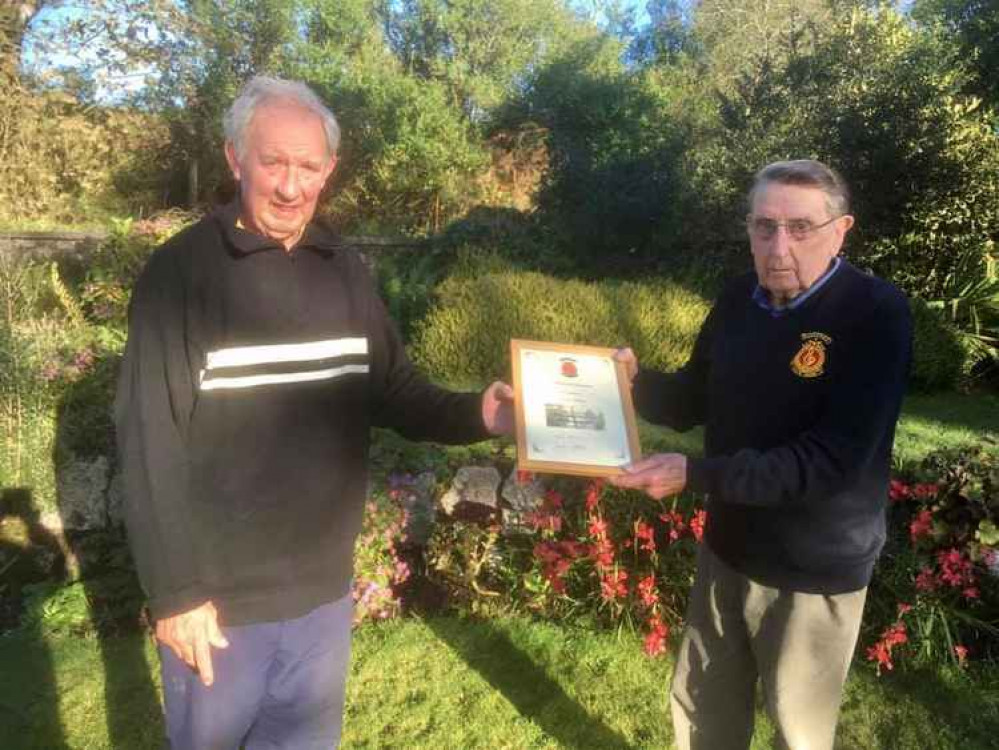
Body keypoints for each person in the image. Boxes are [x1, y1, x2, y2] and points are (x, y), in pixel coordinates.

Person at [114, 75, 514, 749]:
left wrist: (482, 413)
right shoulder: (179, 275)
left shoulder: (344, 270)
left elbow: (395, 392)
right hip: (218, 608)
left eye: (308, 167)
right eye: (273, 162)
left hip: (322, 598)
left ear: (328, 171)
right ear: (236, 159)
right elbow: (148, 438)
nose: (290, 186)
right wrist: (176, 595)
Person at [612, 159, 912, 750]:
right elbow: (693, 398)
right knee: (702, 712)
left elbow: (832, 460)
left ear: (841, 229)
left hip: (814, 568)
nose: (778, 245)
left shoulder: (876, 313)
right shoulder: (736, 299)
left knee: (797, 731)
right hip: (728, 549)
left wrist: (696, 473)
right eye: (763, 226)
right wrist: (631, 383)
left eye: (800, 227)